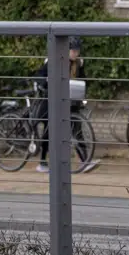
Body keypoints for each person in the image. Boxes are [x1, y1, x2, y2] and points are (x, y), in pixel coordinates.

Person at [33, 38, 100, 175]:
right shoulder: (53, 61)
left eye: (77, 51)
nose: (75, 53)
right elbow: (40, 76)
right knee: (49, 130)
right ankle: (43, 161)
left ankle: (85, 161)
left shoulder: (79, 64)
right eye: (73, 51)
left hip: (71, 101)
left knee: (77, 128)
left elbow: (82, 80)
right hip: (53, 100)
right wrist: (45, 84)